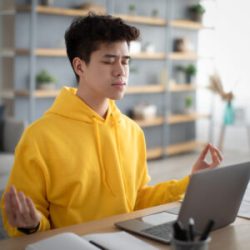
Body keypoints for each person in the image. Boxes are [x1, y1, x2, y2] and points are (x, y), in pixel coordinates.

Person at [1, 14, 222, 237]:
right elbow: (25, 220)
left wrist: (191, 183)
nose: (121, 70)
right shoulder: (39, 136)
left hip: (129, 242)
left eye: (125, 61)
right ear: (80, 66)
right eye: (108, 61)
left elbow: (136, 200)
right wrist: (30, 223)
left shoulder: (132, 131)